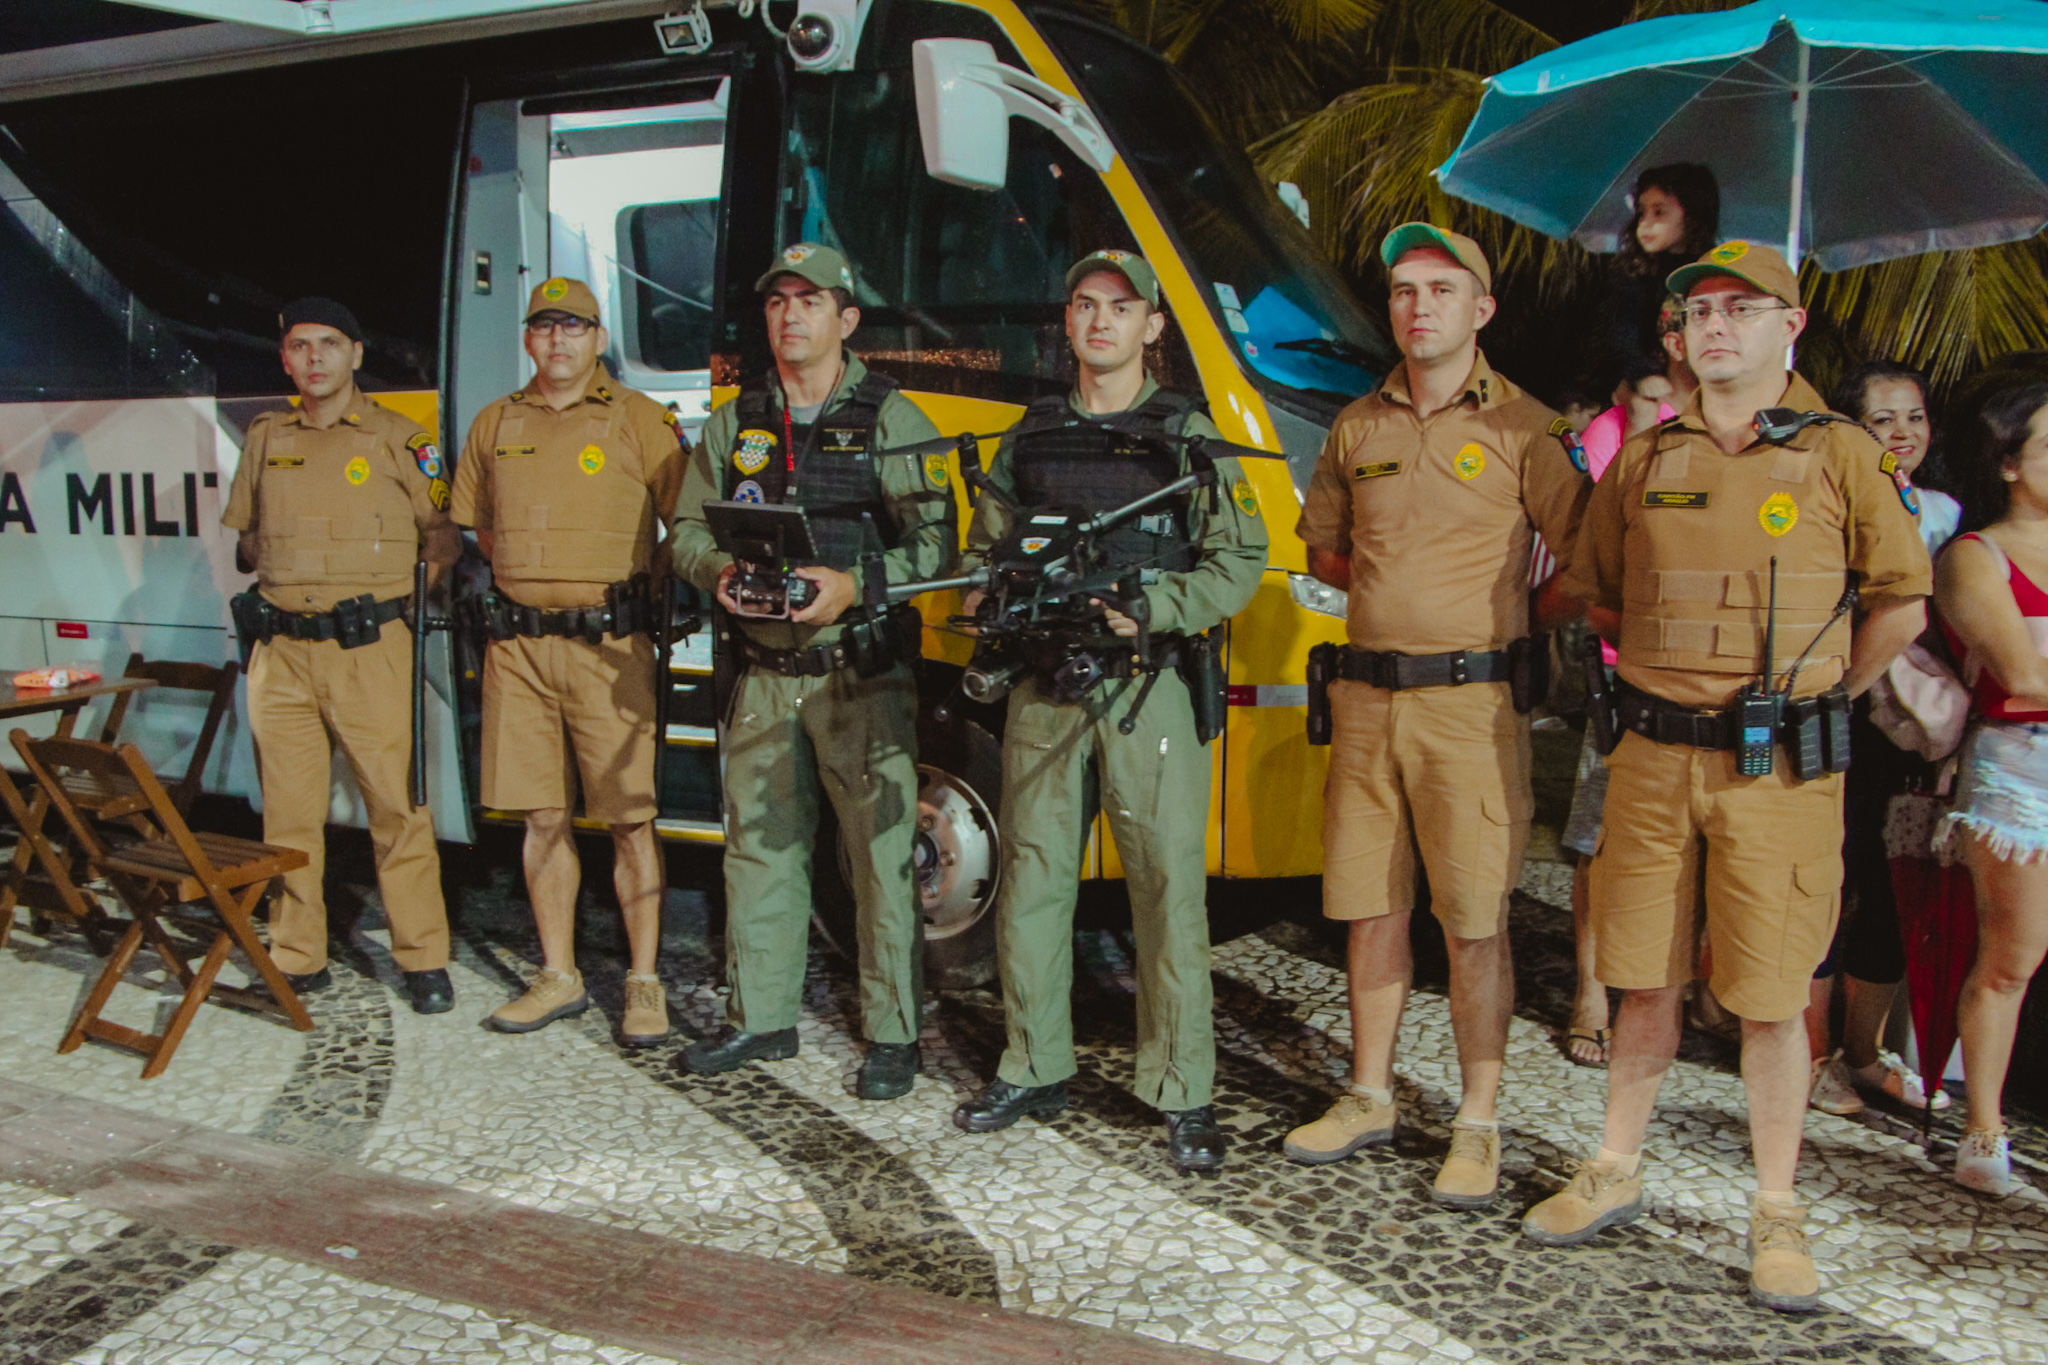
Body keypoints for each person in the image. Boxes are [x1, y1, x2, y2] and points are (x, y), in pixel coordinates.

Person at [1528, 242, 1930, 1314]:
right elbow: (1595, 593)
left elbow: (1901, 601)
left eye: (1739, 309)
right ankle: (1614, 1166)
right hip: (1654, 757)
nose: (1713, 326)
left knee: (1769, 994)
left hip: (1777, 769)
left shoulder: (1841, 455)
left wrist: (1826, 692)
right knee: (1641, 978)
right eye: (1697, 311)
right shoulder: (1644, 459)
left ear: (1788, 326)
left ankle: (1775, 1210)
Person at [1284, 224, 1589, 1207]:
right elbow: (1326, 553)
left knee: (1473, 920)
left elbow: (1584, 566)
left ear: (1481, 309)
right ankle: (1368, 1094)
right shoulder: (1356, 425)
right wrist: (1401, 602)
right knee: (1369, 907)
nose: (1419, 308)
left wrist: (1505, 620)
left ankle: (1477, 1122)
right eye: (1404, 291)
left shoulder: (1528, 430)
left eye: (1441, 290)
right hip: (1368, 701)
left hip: (1471, 706)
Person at [950, 249, 1268, 1172]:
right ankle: (1032, 1062)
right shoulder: (1032, 433)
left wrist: (1156, 606)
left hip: (1147, 683)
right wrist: (990, 596)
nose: (1100, 321)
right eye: (1086, 305)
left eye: (1121, 308)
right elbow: (985, 548)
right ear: (1068, 321)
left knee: (1167, 889)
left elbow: (1238, 561)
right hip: (1044, 685)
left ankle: (1182, 1086)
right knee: (1035, 882)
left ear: (1152, 327)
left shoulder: (1187, 436)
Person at [670, 243, 956, 1099]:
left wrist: (853, 584)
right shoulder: (738, 421)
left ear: (847, 318)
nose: (790, 315)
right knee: (759, 850)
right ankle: (761, 1016)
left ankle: (894, 1033)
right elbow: (686, 530)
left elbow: (940, 547)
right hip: (762, 673)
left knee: (879, 859)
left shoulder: (891, 417)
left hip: (856, 674)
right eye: (777, 301)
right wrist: (716, 572)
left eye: (809, 300)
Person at [450, 277, 686, 1043]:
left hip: (608, 649)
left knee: (630, 819)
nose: (558, 339)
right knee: (542, 817)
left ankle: (644, 982)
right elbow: (483, 531)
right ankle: (559, 975)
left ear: (598, 339)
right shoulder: (496, 422)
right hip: (518, 650)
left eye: (574, 326)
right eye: (545, 325)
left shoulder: (640, 419)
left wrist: (626, 594)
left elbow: (683, 526)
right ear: (527, 338)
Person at [222, 297, 458, 1015]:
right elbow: (246, 537)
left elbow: (442, 535)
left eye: (329, 343)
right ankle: (298, 956)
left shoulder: (400, 438)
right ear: (285, 359)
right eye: (300, 345)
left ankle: (423, 957)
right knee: (287, 816)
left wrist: (405, 600)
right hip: (282, 655)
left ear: (356, 353)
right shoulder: (266, 436)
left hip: (369, 649)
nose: (315, 357)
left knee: (397, 809)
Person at [1802, 359, 1957, 1116]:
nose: (1902, 432)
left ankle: (1862, 1053)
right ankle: (1808, 1057)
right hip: (1838, 717)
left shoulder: (1947, 515)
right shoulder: (1824, 500)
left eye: (1914, 416)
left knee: (1893, 886)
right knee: (1824, 883)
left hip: (1915, 735)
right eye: (1882, 419)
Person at [1558, 312, 1695, 1067]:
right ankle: (1589, 991)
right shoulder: (1603, 447)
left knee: (1686, 839)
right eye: (1652, 397)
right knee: (1600, 831)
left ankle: (1677, 987)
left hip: (1705, 672)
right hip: (1623, 665)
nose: (1667, 410)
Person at [1931, 381, 2048, 1198]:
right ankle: (1983, 1128)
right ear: (2009, 462)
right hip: (2020, 766)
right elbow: (2024, 676)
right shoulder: (1976, 555)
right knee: (2013, 954)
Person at [1591, 164, 1719, 394]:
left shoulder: (1714, 272)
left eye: (1659, 212)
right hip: (1644, 386)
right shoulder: (1634, 272)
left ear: (1692, 216)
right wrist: (1642, 374)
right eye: (1641, 212)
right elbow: (1621, 333)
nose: (1645, 223)